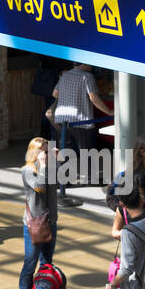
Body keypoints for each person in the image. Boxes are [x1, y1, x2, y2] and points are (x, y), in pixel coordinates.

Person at [49, 62, 112, 193]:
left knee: (65, 150)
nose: (92, 65)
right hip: (80, 119)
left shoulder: (65, 75)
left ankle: (64, 181)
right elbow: (94, 98)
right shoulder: (87, 77)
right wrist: (109, 112)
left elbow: (55, 93)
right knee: (87, 150)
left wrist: (69, 96)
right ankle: (91, 178)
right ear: (84, 64)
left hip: (61, 118)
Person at [19, 136, 58, 289]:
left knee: (47, 264)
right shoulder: (27, 170)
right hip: (33, 224)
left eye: (48, 149)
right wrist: (43, 165)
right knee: (29, 264)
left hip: (50, 223)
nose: (46, 153)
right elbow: (40, 188)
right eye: (44, 150)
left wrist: (56, 162)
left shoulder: (48, 167)